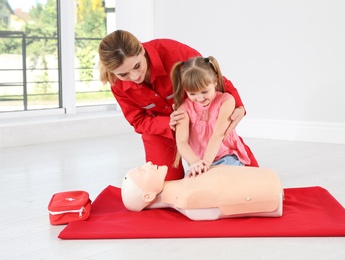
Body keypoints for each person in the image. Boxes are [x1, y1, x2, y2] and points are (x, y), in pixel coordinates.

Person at [98, 30, 258, 180]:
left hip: (200, 119)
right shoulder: (116, 84)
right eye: (123, 74)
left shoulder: (174, 52)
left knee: (253, 179)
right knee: (165, 184)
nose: (135, 76)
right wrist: (170, 123)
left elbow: (208, 78)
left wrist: (237, 105)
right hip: (160, 130)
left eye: (137, 66)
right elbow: (138, 120)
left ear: (141, 49)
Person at [171, 56, 254, 177]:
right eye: (192, 93)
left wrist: (206, 164)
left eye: (204, 91)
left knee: (223, 184)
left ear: (215, 81)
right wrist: (196, 163)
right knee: (191, 190)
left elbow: (218, 134)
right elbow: (182, 142)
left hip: (226, 157)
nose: (200, 98)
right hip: (199, 163)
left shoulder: (226, 100)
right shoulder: (184, 109)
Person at [121, 162, 283, 221]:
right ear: (148, 195)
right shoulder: (188, 200)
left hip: (270, 184)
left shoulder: (187, 188)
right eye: (142, 171)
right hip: (272, 194)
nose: (147, 163)